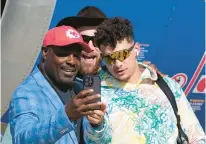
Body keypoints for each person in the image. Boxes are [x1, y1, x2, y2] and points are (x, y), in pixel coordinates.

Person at [83, 17, 206, 143]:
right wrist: (96, 125)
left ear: (137, 49)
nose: (118, 64)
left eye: (122, 55)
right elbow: (92, 141)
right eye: (109, 58)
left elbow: (196, 136)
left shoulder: (167, 85)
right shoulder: (96, 91)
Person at [8, 25, 104, 144]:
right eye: (64, 53)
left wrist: (96, 126)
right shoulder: (26, 92)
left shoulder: (79, 89)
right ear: (45, 52)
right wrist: (66, 116)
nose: (71, 61)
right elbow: (22, 140)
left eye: (77, 55)